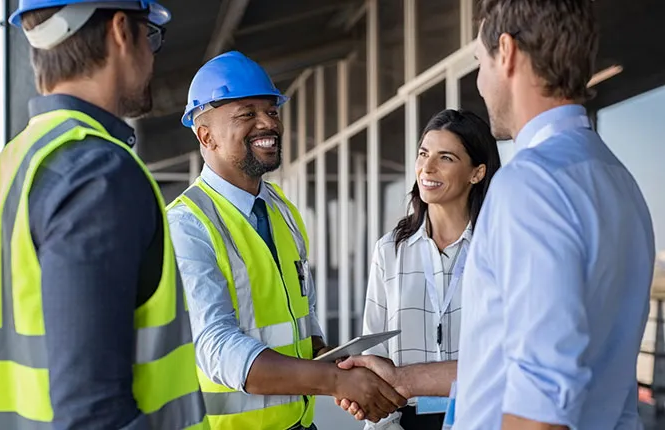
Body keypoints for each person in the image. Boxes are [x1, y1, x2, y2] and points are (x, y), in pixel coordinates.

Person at [0, 1, 208, 429]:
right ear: (121, 31)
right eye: (150, 36)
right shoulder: (97, 174)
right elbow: (94, 416)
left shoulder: (4, 169)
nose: (151, 55)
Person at [166, 51, 407, 430]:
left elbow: (301, 322)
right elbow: (217, 348)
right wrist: (337, 382)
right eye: (247, 113)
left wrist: (340, 362)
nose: (268, 124)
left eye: (272, 111)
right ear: (206, 135)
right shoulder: (186, 225)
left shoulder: (281, 211)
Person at [453, 0, 654, 429]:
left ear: (505, 52)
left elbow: (540, 404)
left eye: (479, 61)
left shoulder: (529, 185)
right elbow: (502, 363)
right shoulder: (620, 182)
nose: (480, 81)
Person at [338, 109, 501, 430]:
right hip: (407, 421)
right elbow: (375, 349)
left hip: (484, 417)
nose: (427, 168)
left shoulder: (498, 247)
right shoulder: (390, 250)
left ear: (477, 173)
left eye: (446, 158)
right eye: (423, 154)